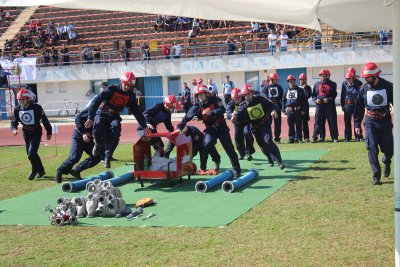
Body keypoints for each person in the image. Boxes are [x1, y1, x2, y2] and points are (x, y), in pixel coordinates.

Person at [85, 71, 149, 168]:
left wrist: (144, 126)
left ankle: (108, 156)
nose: (127, 87)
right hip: (102, 113)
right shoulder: (111, 90)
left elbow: (137, 112)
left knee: (116, 132)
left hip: (114, 116)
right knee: (98, 131)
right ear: (122, 82)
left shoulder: (130, 95)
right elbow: (95, 101)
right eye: (126, 85)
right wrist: (90, 118)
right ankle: (98, 146)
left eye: (130, 86)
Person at [177, 84, 241, 177]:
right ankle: (216, 159)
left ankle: (237, 170)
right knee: (207, 143)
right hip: (210, 129)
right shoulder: (197, 105)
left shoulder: (215, 100)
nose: (199, 97)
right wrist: (180, 126)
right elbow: (188, 116)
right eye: (198, 95)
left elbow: (222, 110)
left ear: (206, 94)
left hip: (222, 128)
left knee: (229, 149)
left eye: (201, 95)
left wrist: (211, 112)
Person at [354, 62, 393, 185]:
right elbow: (358, 108)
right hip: (370, 121)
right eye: (364, 77)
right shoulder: (363, 89)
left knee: (389, 149)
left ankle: (387, 161)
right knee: (371, 148)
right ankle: (376, 176)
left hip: (385, 121)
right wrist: (356, 124)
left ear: (375, 75)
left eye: (368, 77)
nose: (365, 79)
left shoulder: (388, 86)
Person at [232, 84, 285, 169]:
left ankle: (279, 161)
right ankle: (269, 158)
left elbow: (271, 105)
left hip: (264, 124)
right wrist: (234, 117)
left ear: (252, 93)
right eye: (245, 95)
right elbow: (236, 113)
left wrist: (273, 111)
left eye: (248, 94)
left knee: (268, 141)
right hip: (254, 128)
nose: (247, 97)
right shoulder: (242, 105)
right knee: (262, 145)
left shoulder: (260, 99)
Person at [11, 89, 52, 180]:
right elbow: (14, 122)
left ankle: (34, 170)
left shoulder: (37, 107)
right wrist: (14, 129)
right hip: (26, 133)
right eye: (19, 100)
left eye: (22, 99)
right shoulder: (17, 109)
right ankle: (41, 171)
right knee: (31, 154)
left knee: (31, 154)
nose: (20, 101)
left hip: (36, 132)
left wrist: (49, 132)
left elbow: (45, 120)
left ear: (28, 99)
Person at [56, 107, 102, 183]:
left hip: (90, 139)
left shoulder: (106, 115)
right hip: (79, 135)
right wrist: (83, 132)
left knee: (97, 156)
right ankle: (60, 170)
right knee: (74, 157)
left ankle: (76, 171)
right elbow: (77, 119)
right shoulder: (91, 109)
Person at [226, 88, 255, 160]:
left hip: (246, 122)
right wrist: (231, 115)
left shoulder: (246, 101)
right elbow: (228, 113)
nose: (236, 100)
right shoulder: (231, 103)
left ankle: (248, 152)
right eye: (234, 99)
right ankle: (241, 154)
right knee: (238, 138)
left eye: (238, 98)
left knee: (247, 133)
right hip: (237, 123)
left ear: (241, 96)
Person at [311, 69, 339, 143]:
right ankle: (316, 137)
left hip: (329, 106)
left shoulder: (333, 84)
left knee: (332, 122)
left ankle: (335, 137)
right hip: (319, 106)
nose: (322, 77)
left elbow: (334, 95)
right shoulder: (317, 84)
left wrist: (329, 99)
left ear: (328, 76)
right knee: (318, 122)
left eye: (324, 76)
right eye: (321, 76)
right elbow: (313, 95)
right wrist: (315, 100)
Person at [282, 75, 307, 143]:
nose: (291, 82)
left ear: (294, 81)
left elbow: (304, 101)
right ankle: (291, 138)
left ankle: (299, 138)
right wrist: (283, 110)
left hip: (298, 110)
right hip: (289, 111)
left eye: (292, 80)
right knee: (290, 125)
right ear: (288, 82)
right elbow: (283, 100)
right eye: (289, 81)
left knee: (299, 125)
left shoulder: (300, 90)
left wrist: (303, 110)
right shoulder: (286, 90)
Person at [261, 73, 284, 144]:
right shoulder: (266, 87)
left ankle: (277, 138)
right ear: (271, 79)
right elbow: (263, 97)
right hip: (268, 108)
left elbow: (282, 98)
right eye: (275, 79)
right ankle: (268, 138)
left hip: (277, 107)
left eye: (277, 79)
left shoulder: (279, 87)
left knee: (278, 124)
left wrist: (282, 108)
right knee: (268, 123)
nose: (277, 80)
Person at [341, 71, 362, 142]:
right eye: (347, 79)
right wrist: (342, 105)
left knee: (357, 121)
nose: (348, 80)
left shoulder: (359, 84)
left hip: (356, 106)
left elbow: (361, 95)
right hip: (347, 105)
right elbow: (342, 95)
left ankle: (359, 136)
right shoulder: (344, 84)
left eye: (349, 79)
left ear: (353, 78)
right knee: (347, 122)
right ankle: (347, 137)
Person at [298, 73, 312, 142]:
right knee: (298, 123)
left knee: (305, 123)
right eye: (301, 79)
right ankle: (298, 137)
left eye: (303, 79)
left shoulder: (308, 88)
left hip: (305, 107)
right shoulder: (296, 88)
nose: (302, 81)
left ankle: (306, 137)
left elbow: (308, 95)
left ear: (305, 80)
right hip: (298, 107)